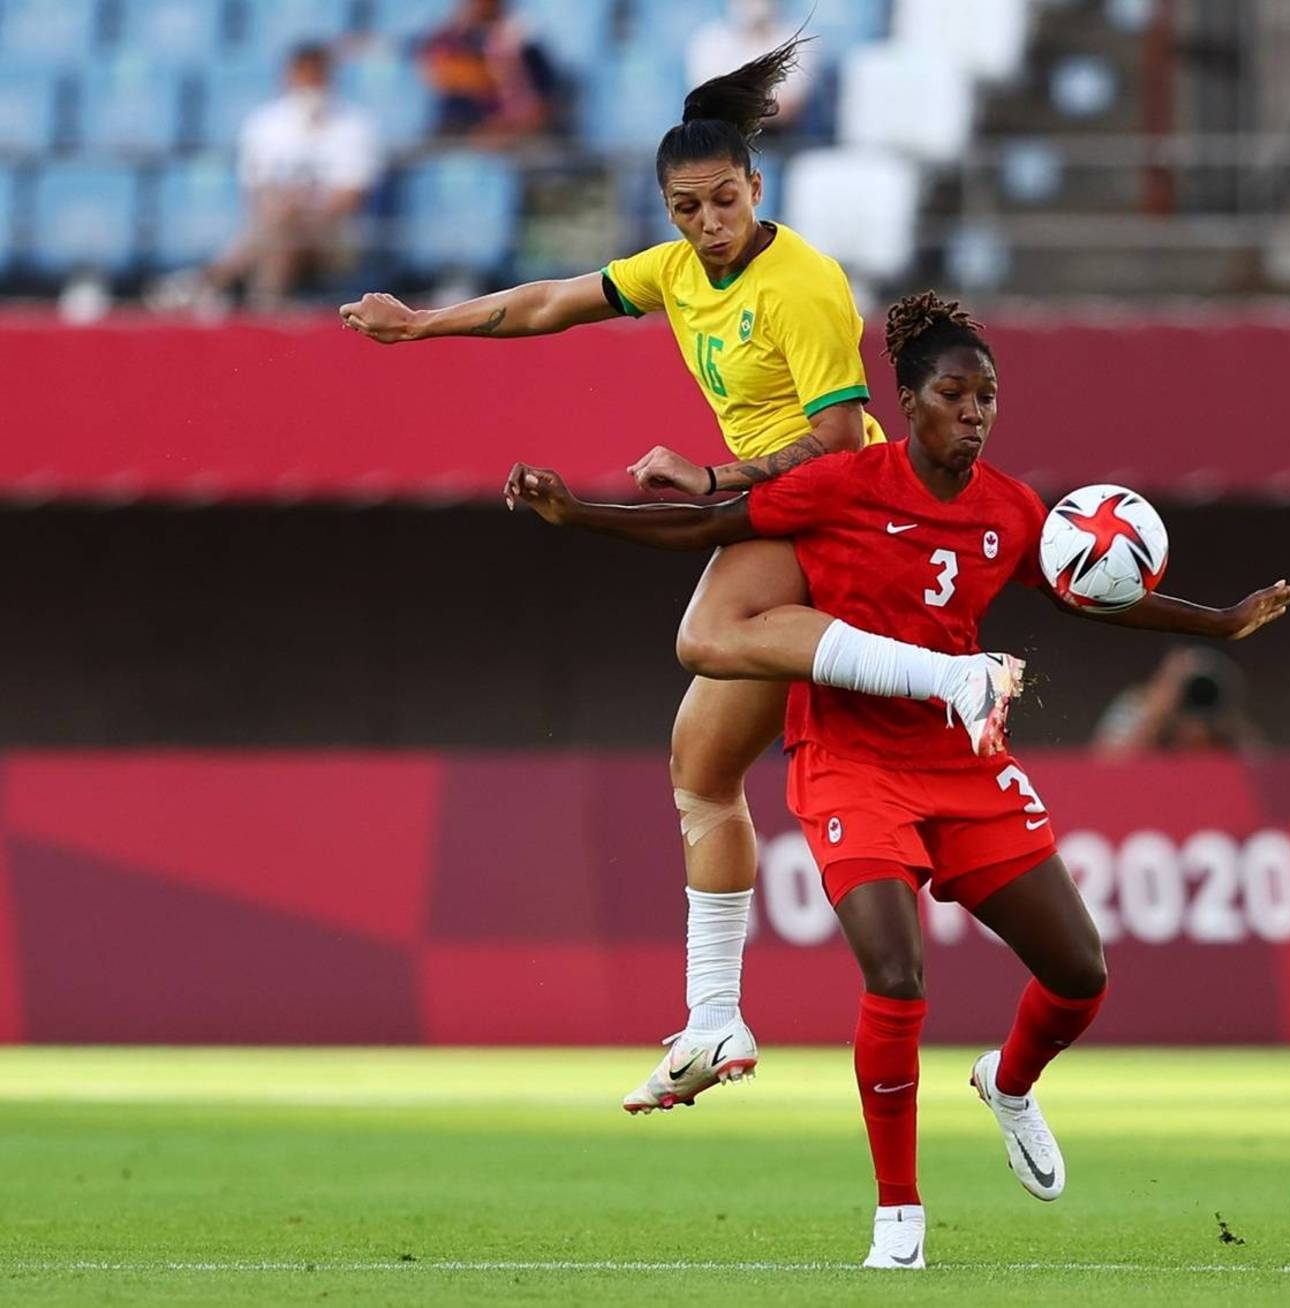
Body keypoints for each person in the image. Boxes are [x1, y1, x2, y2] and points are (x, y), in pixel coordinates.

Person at [501, 292, 1290, 1267]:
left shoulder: (1011, 508)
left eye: (988, 398)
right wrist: (576, 513)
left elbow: (1090, 594)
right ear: (910, 401)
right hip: (850, 765)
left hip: (959, 763)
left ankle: (1007, 1085)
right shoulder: (844, 484)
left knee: (1081, 974)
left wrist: (1220, 622)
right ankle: (899, 1219)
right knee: (896, 973)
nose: (975, 413)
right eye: (956, 395)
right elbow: (711, 525)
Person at [339, 41, 1026, 1115]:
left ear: (759, 189)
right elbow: (548, 303)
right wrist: (423, 325)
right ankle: (714, 1020)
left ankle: (951, 681)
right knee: (701, 776)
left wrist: (714, 473)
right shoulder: (673, 272)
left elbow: (844, 444)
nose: (707, 223)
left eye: (723, 201)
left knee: (706, 632)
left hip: (831, 509)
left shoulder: (800, 282)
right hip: (765, 506)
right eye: (685, 207)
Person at [199, 43, 382, 309]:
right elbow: (256, 193)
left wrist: (301, 210)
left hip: (335, 235)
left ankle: (212, 282)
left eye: (316, 75)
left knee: (278, 225)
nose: (310, 84)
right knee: (280, 231)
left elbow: (350, 199)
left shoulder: (354, 125)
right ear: (288, 76)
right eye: (303, 75)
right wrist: (287, 211)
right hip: (277, 226)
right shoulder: (265, 123)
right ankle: (266, 305)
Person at [419, 0, 556, 141]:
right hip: (457, 136)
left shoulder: (526, 49)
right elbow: (434, 71)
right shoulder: (449, 45)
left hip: (516, 141)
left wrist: (509, 131)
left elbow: (544, 109)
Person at [1092, 646, 1264, 757]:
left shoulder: (1228, 738)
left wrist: (1227, 727)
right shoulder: (1140, 707)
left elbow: (1262, 773)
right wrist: (1159, 708)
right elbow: (1106, 768)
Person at [686, 0, 815, 133]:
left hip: (781, 142)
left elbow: (788, 109)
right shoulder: (709, 40)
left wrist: (729, 103)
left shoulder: (797, 39)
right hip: (721, 139)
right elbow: (704, 103)